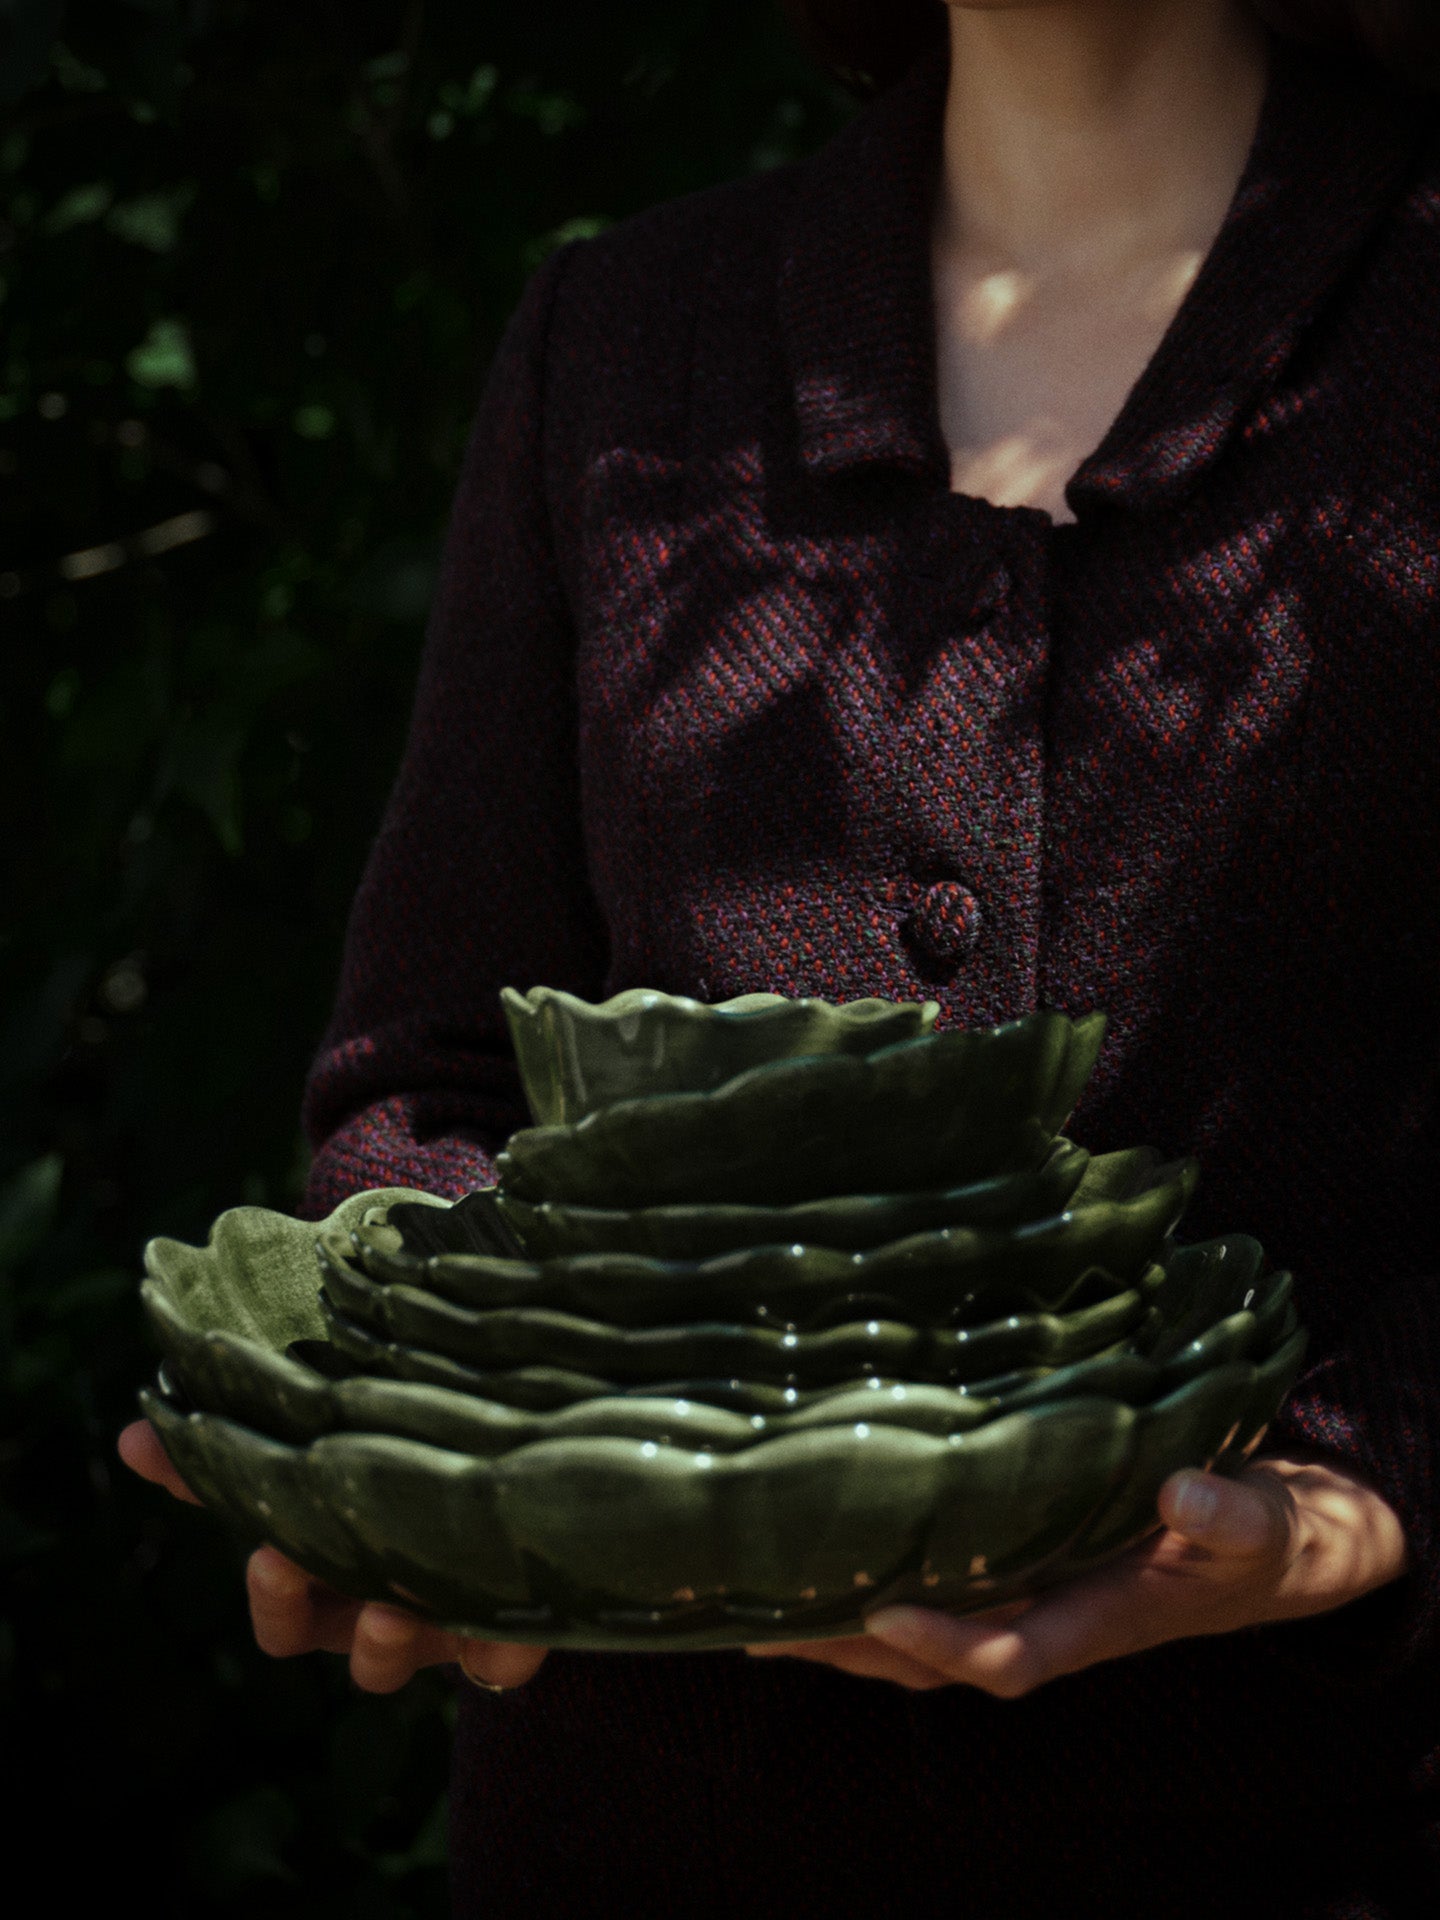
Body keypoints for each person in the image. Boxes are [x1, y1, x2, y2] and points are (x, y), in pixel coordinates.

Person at [123, 0, 1440, 1911]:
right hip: (641, 1830)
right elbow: (425, 1080)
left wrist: (1358, 1503)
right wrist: (444, 1469)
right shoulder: (626, 345)